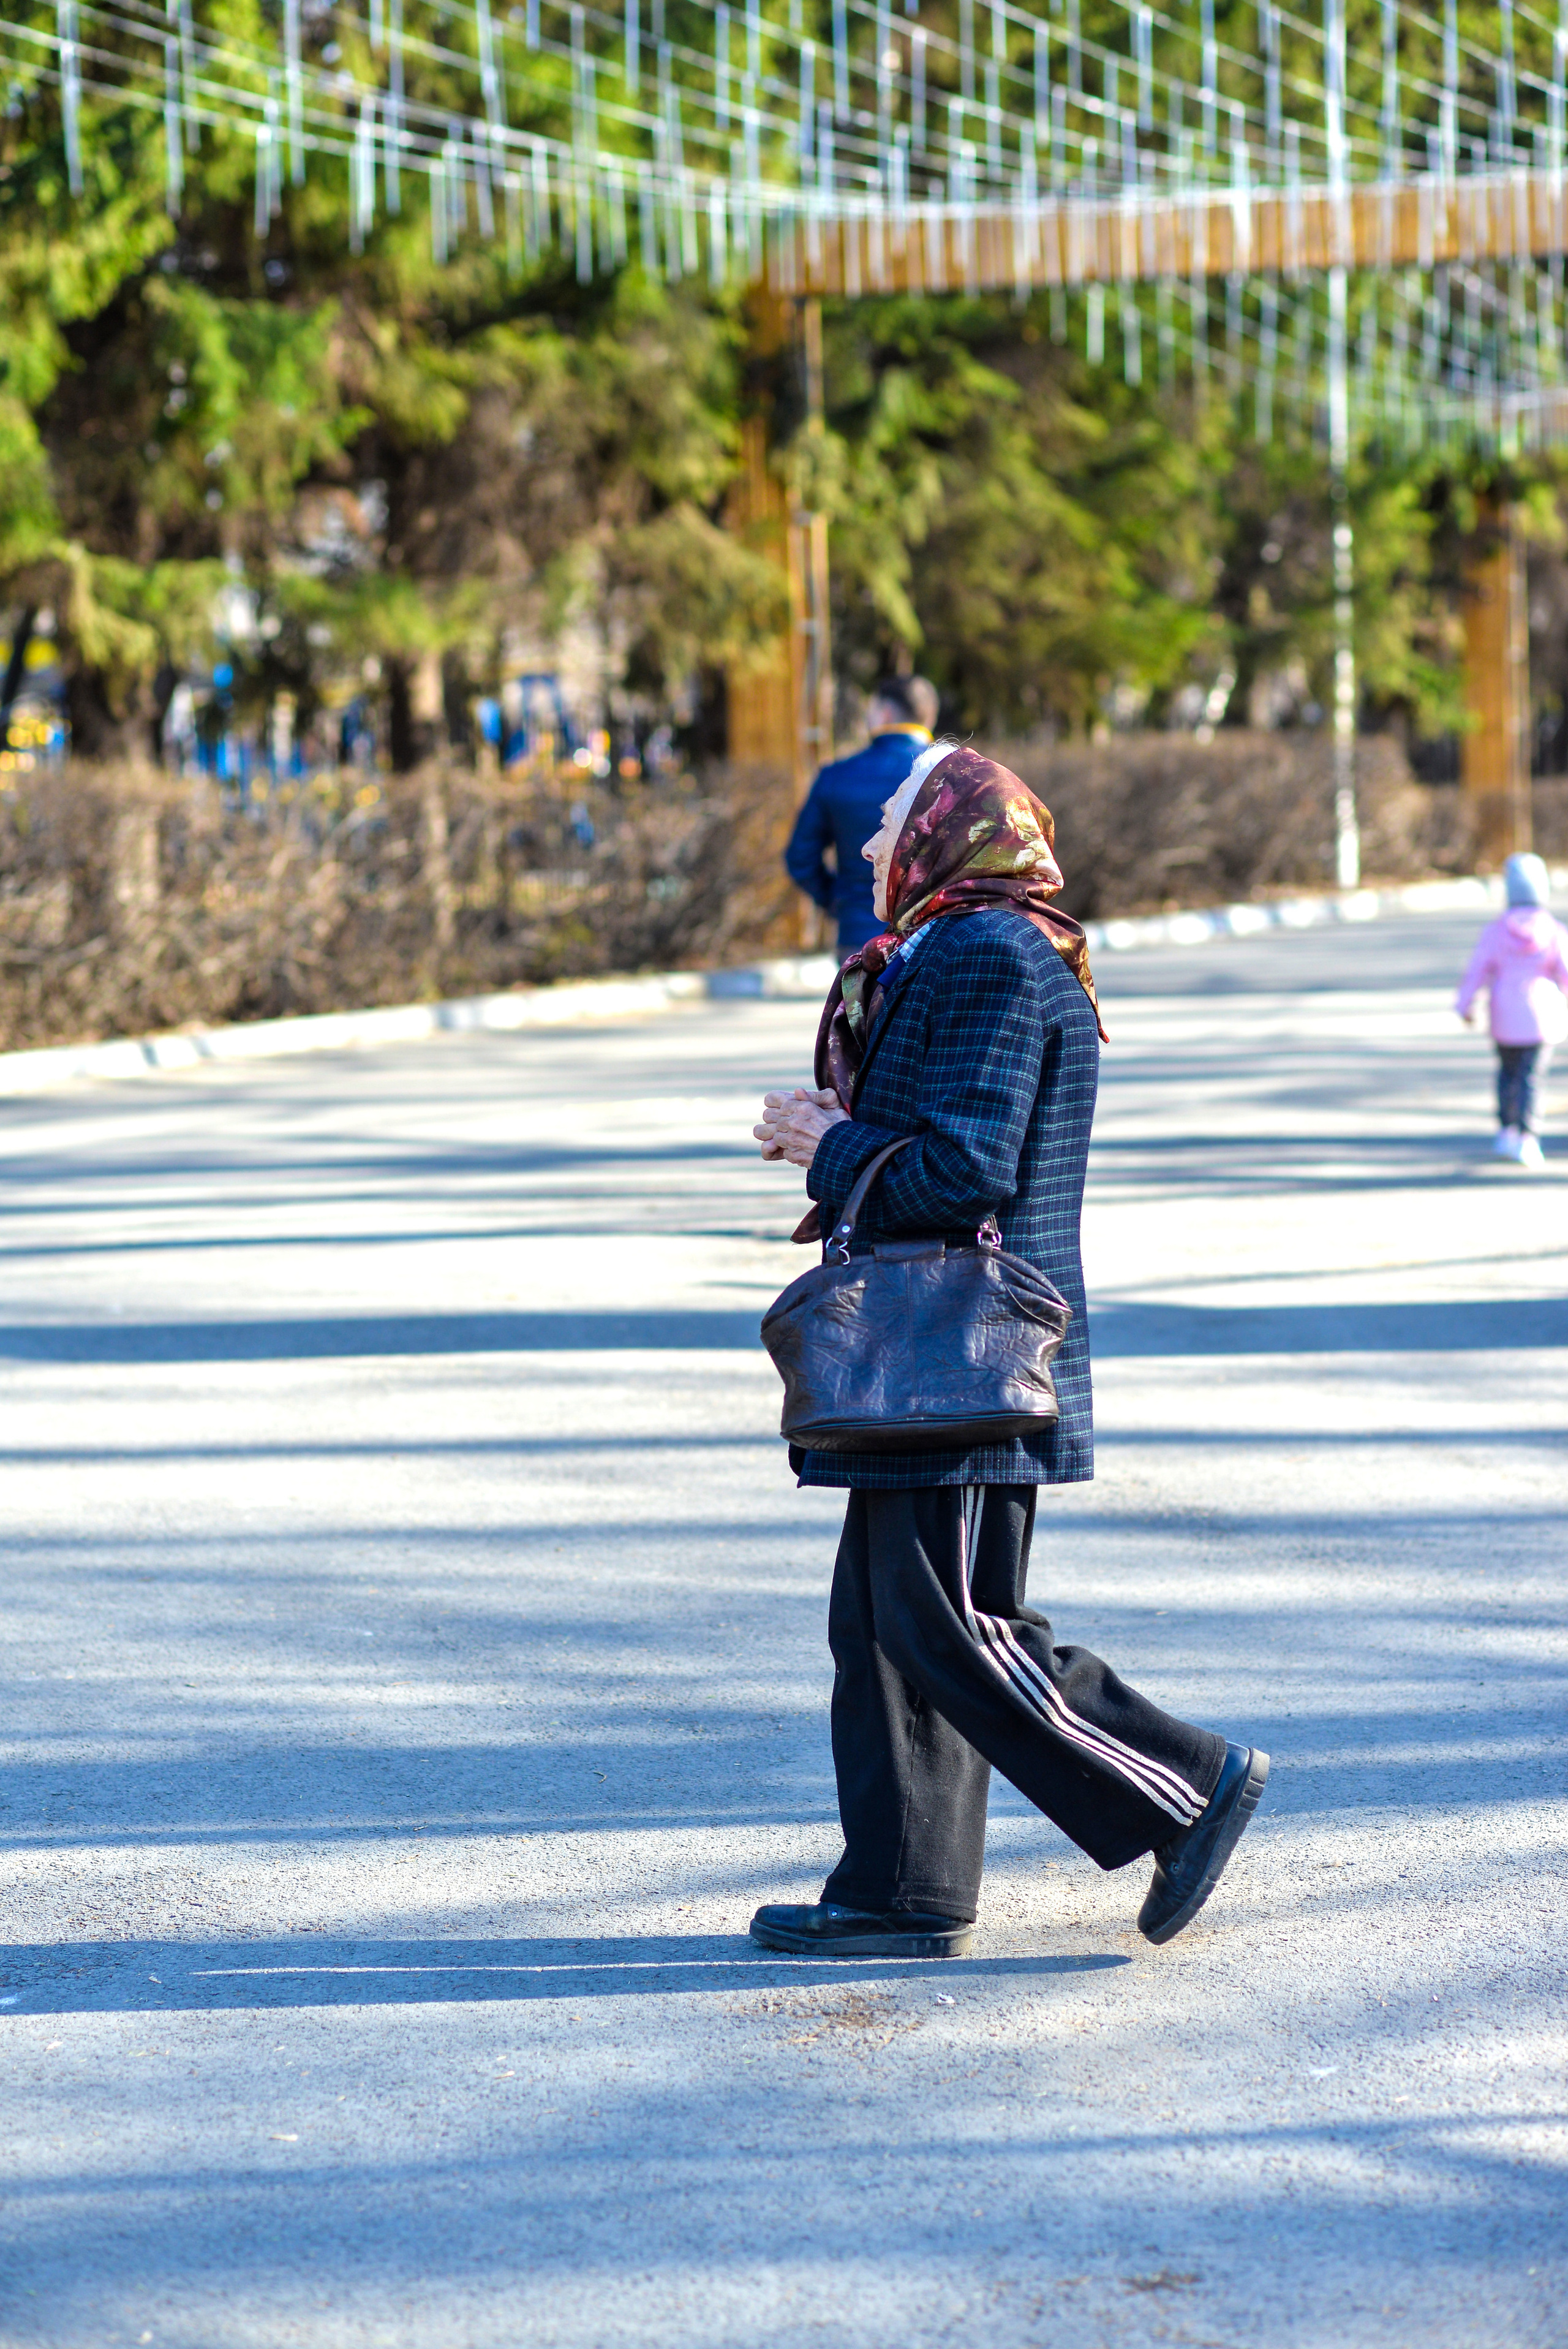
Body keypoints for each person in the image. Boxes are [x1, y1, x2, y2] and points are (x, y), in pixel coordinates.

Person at [749, 741, 1268, 1959]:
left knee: (952, 1624)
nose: (868, 841)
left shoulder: (987, 951)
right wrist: (837, 1127)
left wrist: (828, 1146)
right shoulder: (956, 944)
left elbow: (966, 1169)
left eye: (892, 815)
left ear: (949, 825)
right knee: (884, 1626)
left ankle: (1187, 1784)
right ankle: (903, 1890)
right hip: (929, 1349)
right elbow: (943, 1135)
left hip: (963, 1354)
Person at [784, 676, 939, 956]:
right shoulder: (948, 776)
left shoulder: (836, 776)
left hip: (858, 936)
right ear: (929, 716)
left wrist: (839, 901)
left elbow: (800, 857)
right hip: (930, 934)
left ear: (885, 713)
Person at [1456, 851, 1568, 1170]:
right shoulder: (1553, 931)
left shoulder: (1496, 931)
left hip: (1504, 1016)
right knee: (1532, 1078)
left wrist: (1465, 1005)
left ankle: (1506, 1130)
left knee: (1507, 1073)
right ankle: (1528, 1137)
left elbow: (1477, 971)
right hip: (1541, 1018)